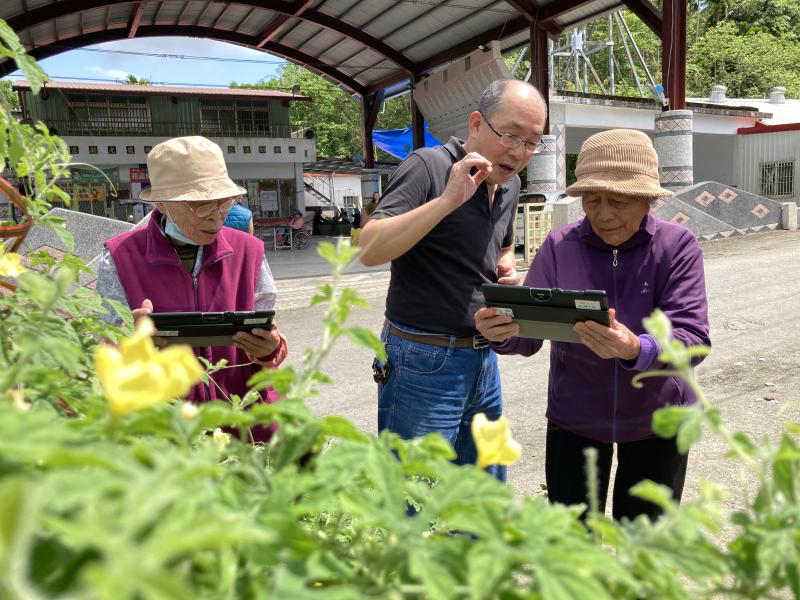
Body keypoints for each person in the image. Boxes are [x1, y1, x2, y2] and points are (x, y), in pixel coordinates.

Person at [475, 129, 710, 519]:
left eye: (617, 201)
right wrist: (500, 333)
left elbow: (692, 336)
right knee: (572, 542)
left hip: (658, 419)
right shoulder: (559, 244)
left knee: (643, 543)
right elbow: (529, 335)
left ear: (648, 200)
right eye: (591, 200)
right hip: (575, 418)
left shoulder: (676, 246)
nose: (602, 214)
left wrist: (637, 349)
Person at [358, 79, 547, 480]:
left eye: (532, 142)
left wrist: (506, 270)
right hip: (421, 358)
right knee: (415, 497)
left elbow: (503, 246)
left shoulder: (509, 185)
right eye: (511, 135)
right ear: (476, 123)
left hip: (483, 359)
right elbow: (369, 249)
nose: (519, 152)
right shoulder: (429, 166)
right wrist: (447, 201)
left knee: (484, 494)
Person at [97, 136, 288, 440]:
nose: (216, 215)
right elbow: (103, 352)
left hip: (248, 425)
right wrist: (129, 346)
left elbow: (271, 339)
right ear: (160, 203)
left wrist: (271, 349)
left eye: (225, 202)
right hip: (166, 433)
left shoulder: (249, 251)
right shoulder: (119, 258)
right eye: (200, 205)